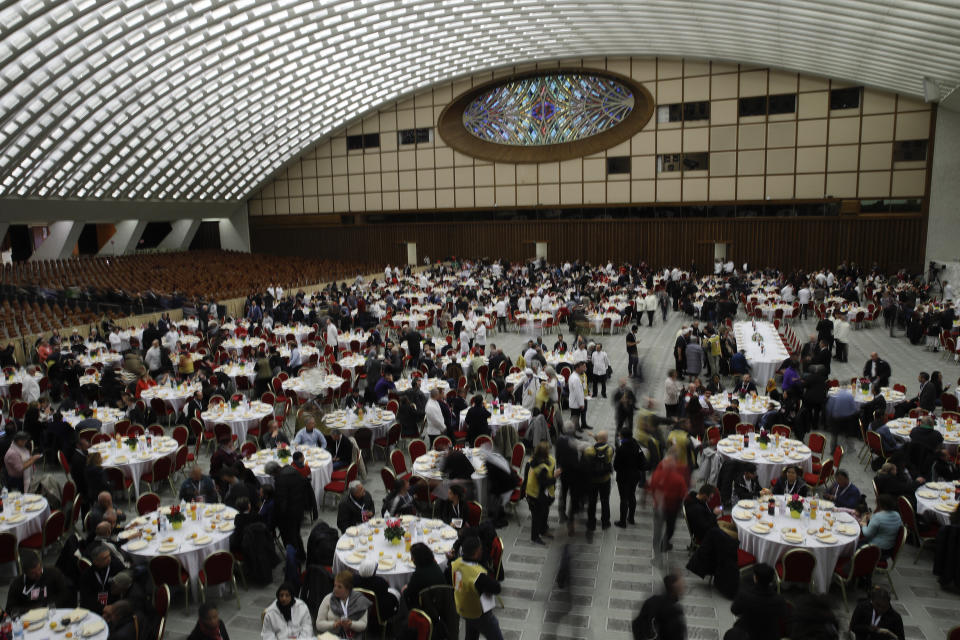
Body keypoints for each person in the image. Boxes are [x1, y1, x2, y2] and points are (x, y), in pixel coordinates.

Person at [451, 536, 503, 640]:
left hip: (463, 607)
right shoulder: (477, 575)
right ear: (476, 553)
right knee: (495, 635)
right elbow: (497, 588)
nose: (482, 551)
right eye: (480, 549)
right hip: (478, 612)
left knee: (471, 632)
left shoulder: (456, 563)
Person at [727, 563, 791, 640]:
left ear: (755, 578)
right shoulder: (779, 600)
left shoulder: (745, 596)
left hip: (746, 634)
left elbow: (734, 610)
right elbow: (784, 616)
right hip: (770, 635)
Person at [4, 551, 74, 615]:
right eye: (33, 573)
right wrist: (30, 610)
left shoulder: (53, 573)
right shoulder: (17, 584)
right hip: (29, 616)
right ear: (26, 573)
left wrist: (50, 605)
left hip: (52, 611)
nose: (38, 574)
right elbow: (10, 609)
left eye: (39, 569)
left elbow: (65, 593)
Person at [648, 451, 688, 553]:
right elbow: (683, 495)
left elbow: (651, 488)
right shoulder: (679, 479)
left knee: (657, 530)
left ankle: (657, 551)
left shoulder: (656, 474)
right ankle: (664, 543)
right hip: (672, 509)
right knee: (670, 528)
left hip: (658, 507)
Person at [315, 570, 369, 639]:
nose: (335, 589)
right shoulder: (328, 598)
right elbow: (319, 624)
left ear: (348, 589)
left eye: (339, 587)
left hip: (352, 637)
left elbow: (363, 624)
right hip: (332, 637)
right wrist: (333, 624)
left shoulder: (359, 601)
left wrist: (351, 624)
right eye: (335, 585)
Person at [633, 573, 686, 640]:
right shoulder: (674, 612)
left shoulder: (652, 601)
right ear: (674, 587)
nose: (683, 589)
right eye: (682, 586)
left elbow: (637, 624)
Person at [79, 544, 127, 614]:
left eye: (109, 555)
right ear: (96, 562)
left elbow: (126, 575)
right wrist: (102, 608)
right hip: (96, 606)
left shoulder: (116, 565)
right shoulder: (87, 575)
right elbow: (86, 598)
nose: (109, 559)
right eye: (105, 558)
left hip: (116, 600)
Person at [583, 430, 614, 540]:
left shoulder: (589, 450)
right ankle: (605, 522)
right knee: (605, 500)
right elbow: (603, 443)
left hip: (593, 481)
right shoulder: (610, 450)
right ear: (606, 439)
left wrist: (595, 437)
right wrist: (597, 437)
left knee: (592, 502)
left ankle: (591, 523)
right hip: (605, 480)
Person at [524, 441, 557, 544]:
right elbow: (544, 483)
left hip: (533, 492)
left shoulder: (530, 461)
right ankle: (535, 537)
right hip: (536, 494)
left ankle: (543, 529)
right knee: (536, 516)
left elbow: (525, 477)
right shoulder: (541, 467)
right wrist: (554, 477)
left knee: (544, 511)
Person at [613, 427, 645, 528]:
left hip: (623, 477)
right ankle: (631, 518)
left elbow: (616, 466)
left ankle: (622, 522)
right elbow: (642, 461)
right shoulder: (636, 445)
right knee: (632, 495)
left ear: (622, 436)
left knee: (624, 498)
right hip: (634, 476)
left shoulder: (621, 449)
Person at [354, 556, 399, 624]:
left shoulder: (353, 579)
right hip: (377, 613)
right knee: (396, 593)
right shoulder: (380, 583)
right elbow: (386, 597)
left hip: (357, 609)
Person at [568, 361, 588, 430]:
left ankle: (574, 431)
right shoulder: (576, 378)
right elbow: (578, 392)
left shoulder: (574, 376)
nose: (583, 369)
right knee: (574, 419)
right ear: (577, 368)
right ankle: (572, 432)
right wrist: (581, 403)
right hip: (575, 403)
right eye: (582, 367)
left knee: (575, 418)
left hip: (574, 401)